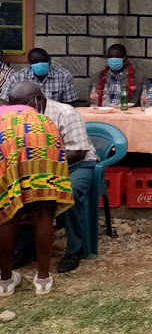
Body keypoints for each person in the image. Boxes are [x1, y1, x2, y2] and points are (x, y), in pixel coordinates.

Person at [9, 82, 99, 274]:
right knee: (20, 192)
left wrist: (46, 164)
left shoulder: (65, 113)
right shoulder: (16, 119)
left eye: (24, 106)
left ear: (38, 99)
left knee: (70, 190)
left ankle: (75, 249)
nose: (20, 111)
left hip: (76, 165)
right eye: (16, 107)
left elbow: (79, 151)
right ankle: (26, 246)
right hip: (37, 170)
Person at [0, 104, 74, 296]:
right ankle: (43, 279)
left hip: (6, 155)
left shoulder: (2, 116)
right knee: (43, 214)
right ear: (36, 102)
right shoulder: (44, 119)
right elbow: (59, 152)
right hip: (39, 159)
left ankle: (6, 281)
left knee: (8, 214)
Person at [0, 47, 78, 105]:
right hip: (25, 117)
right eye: (35, 62)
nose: (40, 64)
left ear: (49, 61)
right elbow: (5, 102)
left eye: (43, 61)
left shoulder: (64, 76)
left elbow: (70, 104)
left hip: (54, 117)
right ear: (29, 63)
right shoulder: (17, 78)